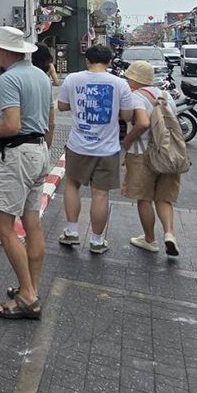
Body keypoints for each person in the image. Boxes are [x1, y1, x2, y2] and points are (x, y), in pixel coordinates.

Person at [0, 27, 54, 320]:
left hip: (18, 153)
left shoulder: (10, 78)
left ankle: (27, 296)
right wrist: (42, 152)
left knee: (3, 226)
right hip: (39, 151)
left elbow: (10, 125)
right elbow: (49, 121)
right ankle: (31, 287)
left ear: (6, 51)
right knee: (31, 222)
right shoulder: (41, 76)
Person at [56, 43, 134, 254]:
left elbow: (62, 106)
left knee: (72, 186)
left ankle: (72, 231)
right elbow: (127, 116)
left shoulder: (72, 79)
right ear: (109, 62)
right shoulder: (120, 84)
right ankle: (97, 241)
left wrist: (80, 104)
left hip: (77, 146)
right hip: (107, 149)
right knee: (101, 194)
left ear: (87, 61)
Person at [121, 61, 182, 258]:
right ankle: (169, 234)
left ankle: (149, 239)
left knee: (144, 198)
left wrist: (127, 142)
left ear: (134, 79)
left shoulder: (135, 97)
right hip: (167, 154)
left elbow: (142, 124)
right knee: (164, 198)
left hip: (142, 154)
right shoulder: (166, 96)